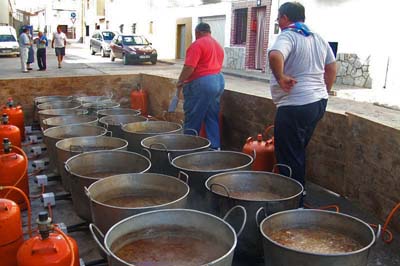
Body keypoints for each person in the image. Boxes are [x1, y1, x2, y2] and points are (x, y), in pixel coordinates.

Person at [268, 2, 337, 199]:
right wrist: (323, 89)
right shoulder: (317, 38)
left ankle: (293, 200)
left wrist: (281, 77)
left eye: (279, 18)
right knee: (297, 150)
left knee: (289, 155)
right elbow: (332, 67)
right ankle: (299, 192)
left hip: (295, 106)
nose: (278, 22)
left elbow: (275, 55)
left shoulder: (288, 35)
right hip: (317, 104)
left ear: (284, 18)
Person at [176, 22, 225, 149]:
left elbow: (189, 67)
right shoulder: (218, 45)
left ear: (197, 32)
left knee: (193, 116)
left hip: (202, 83)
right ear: (209, 32)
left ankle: (188, 149)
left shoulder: (197, 44)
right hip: (218, 81)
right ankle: (215, 148)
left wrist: (180, 81)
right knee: (211, 116)